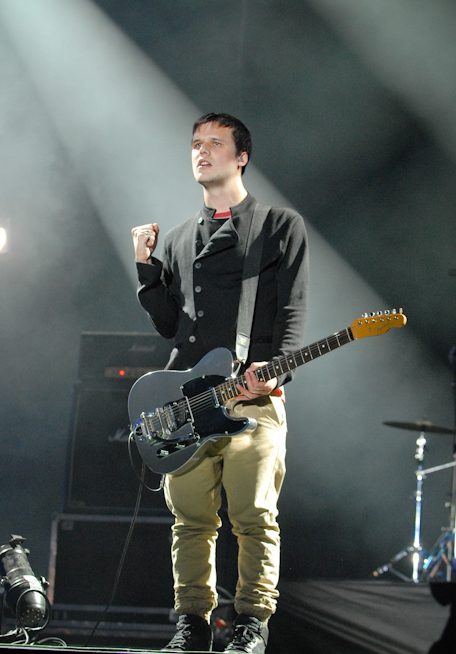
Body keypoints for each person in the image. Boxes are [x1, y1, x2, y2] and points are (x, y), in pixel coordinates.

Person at [131, 113, 308, 653]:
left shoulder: (279, 226)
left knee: (254, 517)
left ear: (241, 157)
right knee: (190, 520)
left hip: (252, 397)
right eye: (195, 144)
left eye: (214, 143)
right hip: (189, 401)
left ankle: (252, 623)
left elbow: (293, 310)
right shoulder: (180, 238)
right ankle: (192, 623)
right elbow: (171, 325)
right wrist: (146, 269)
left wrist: (274, 371)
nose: (201, 152)